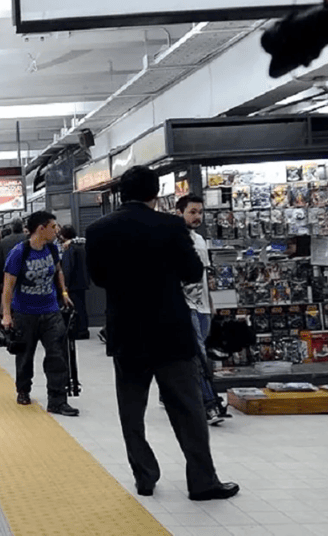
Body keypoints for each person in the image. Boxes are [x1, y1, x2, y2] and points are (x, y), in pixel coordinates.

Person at [85, 166, 239, 501]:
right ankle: (202, 481)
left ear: (121, 194)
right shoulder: (171, 225)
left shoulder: (98, 230)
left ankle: (145, 476)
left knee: (132, 410)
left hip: (126, 330)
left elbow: (97, 278)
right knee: (188, 409)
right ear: (155, 194)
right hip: (171, 330)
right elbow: (191, 271)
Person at [1, 211, 79, 416]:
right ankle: (23, 390)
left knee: (57, 355)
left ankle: (57, 400)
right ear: (41, 228)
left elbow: (58, 271)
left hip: (51, 310)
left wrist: (63, 292)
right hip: (25, 313)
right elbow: (8, 286)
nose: (57, 230)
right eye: (53, 227)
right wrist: (6, 314)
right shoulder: (19, 253)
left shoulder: (52, 249)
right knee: (25, 355)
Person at [176, 194, 228, 425]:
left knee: (198, 352)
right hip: (185, 305)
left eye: (200, 212)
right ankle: (209, 404)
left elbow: (205, 275)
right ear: (180, 213)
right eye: (192, 212)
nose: (197, 217)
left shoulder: (200, 240)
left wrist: (212, 303)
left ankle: (172, 392)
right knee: (198, 353)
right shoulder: (173, 239)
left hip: (203, 305)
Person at [59, 225, 91, 340]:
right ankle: (84, 329)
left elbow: (68, 268)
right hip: (83, 281)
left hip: (73, 283)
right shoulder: (81, 246)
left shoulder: (69, 248)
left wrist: (65, 285)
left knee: (75, 307)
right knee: (82, 306)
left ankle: (78, 330)